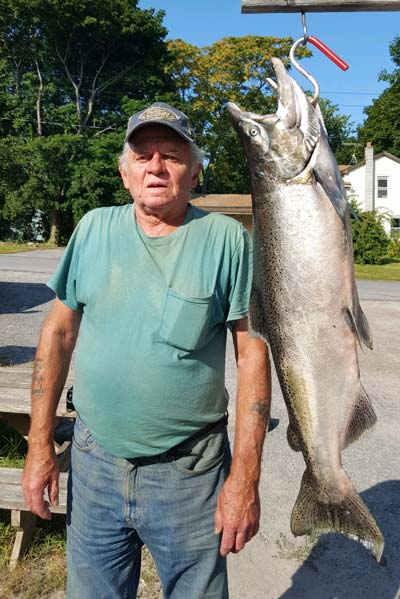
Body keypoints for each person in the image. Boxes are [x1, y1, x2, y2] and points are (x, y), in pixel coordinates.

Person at [22, 102, 271, 599]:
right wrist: (38, 444)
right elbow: (58, 334)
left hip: (189, 474)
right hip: (94, 462)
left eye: (172, 155)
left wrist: (245, 477)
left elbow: (252, 355)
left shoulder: (227, 240)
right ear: (124, 171)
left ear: (195, 171)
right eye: (143, 155)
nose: (156, 166)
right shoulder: (93, 228)